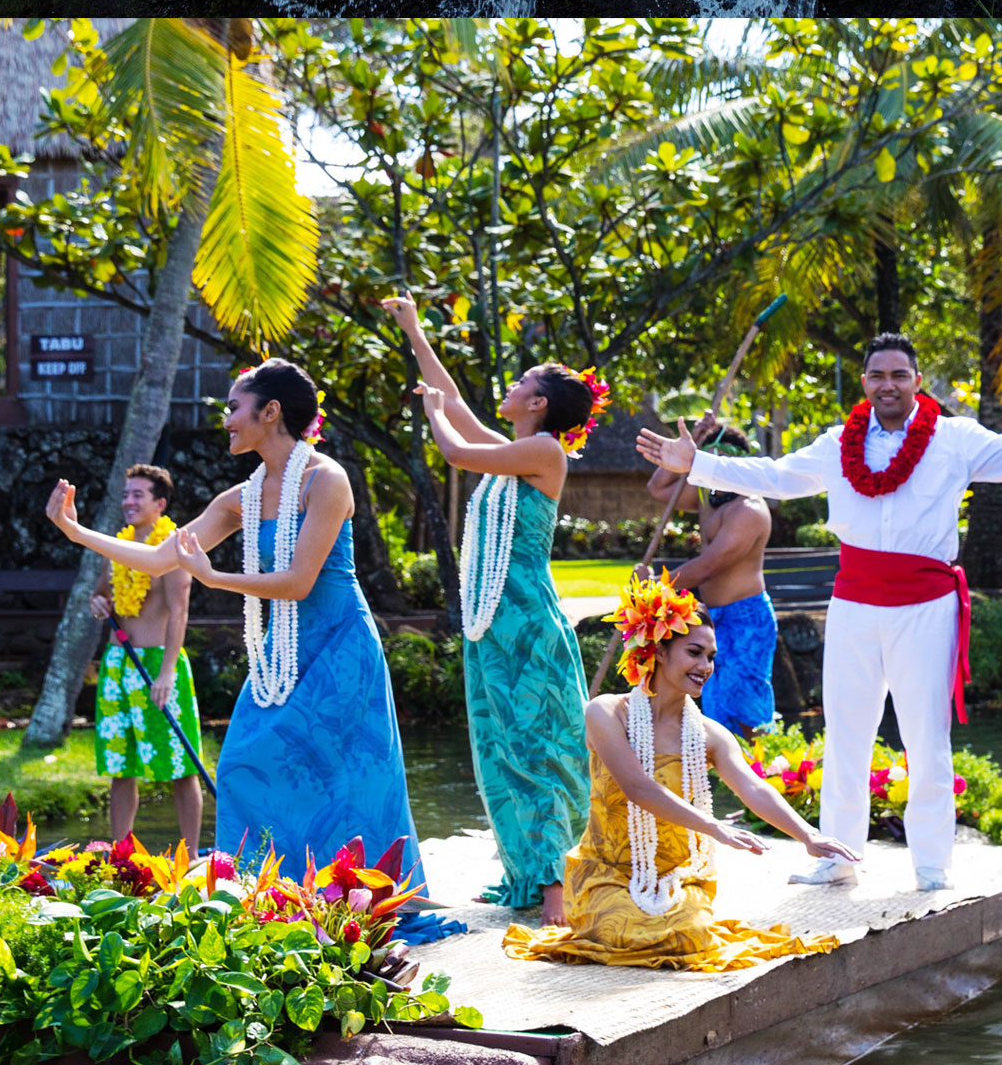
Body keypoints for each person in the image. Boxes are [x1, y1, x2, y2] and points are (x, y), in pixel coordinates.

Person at [637, 338, 1002, 891]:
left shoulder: (954, 439)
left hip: (925, 605)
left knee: (926, 736)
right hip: (854, 602)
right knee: (845, 734)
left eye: (900, 374)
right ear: (864, 383)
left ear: (917, 381)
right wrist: (698, 464)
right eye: (878, 375)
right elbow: (776, 476)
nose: (888, 384)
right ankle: (839, 857)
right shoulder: (838, 444)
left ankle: (931, 864)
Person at [50, 360, 423, 891]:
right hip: (281, 653)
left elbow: (298, 582)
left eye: (233, 407)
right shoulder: (242, 497)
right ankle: (275, 892)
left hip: (339, 645)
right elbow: (158, 558)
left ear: (270, 412)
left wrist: (214, 577)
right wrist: (77, 531)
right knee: (242, 764)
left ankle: (362, 894)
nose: (225, 419)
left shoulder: (326, 480)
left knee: (347, 774)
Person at [512, 577, 849, 967]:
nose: (705, 667)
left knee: (688, 936)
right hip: (605, 873)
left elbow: (753, 787)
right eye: (694, 652)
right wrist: (714, 827)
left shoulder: (709, 735)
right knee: (620, 931)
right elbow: (638, 787)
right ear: (657, 649)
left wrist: (807, 834)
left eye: (710, 657)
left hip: (678, 878)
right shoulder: (607, 713)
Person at [387, 297, 596, 922]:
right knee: (497, 745)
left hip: (527, 624)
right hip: (489, 625)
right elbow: (454, 400)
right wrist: (414, 330)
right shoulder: (515, 451)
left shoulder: (544, 454)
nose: (510, 386)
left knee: (537, 741)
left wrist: (432, 413)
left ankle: (556, 879)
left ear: (539, 403)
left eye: (521, 381)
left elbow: (454, 447)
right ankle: (525, 873)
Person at [85, 457, 208, 851]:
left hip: (157, 662)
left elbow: (179, 611)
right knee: (120, 766)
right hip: (117, 664)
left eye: (137, 495)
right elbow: (101, 596)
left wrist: (168, 672)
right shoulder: (118, 546)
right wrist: (98, 605)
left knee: (179, 763)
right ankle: (121, 852)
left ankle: (191, 854)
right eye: (126, 495)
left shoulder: (173, 548)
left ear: (160, 503)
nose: (128, 502)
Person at [684, 474, 781, 735]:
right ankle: (722, 760)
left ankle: (761, 759)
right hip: (713, 618)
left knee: (748, 707)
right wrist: (685, 454)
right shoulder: (707, 498)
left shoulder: (750, 509)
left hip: (745, 617)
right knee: (715, 702)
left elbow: (709, 565)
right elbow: (658, 488)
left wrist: (657, 583)